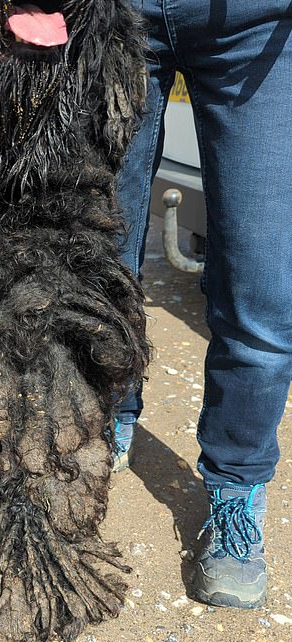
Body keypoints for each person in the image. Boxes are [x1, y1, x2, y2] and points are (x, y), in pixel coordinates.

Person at [113, 0, 292, 609]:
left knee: (264, 289)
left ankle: (236, 487)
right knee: (95, 257)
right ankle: (106, 412)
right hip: (108, 13)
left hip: (256, 22)